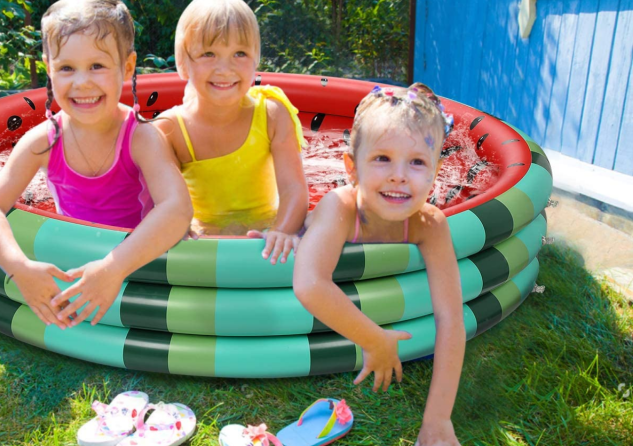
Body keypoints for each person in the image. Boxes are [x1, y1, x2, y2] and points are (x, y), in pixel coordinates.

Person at [0, 0, 192, 330]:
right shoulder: (43, 141)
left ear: (128, 67)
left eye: (97, 66)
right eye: (67, 68)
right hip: (79, 258)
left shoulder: (141, 138)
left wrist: (113, 268)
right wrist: (19, 267)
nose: (82, 83)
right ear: (48, 68)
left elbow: (176, 210)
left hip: (141, 261)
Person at [293, 84, 464, 446]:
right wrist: (375, 339)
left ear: (436, 172)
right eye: (382, 158)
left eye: (417, 162)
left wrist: (438, 420)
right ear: (351, 167)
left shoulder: (429, 225)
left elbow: (451, 320)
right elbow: (309, 284)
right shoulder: (339, 208)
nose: (399, 175)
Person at [155, 0, 308, 265]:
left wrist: (282, 231)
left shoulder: (272, 114)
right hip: (202, 243)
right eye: (208, 54)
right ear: (182, 63)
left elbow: (294, 189)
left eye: (239, 53)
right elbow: (157, 203)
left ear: (256, 60)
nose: (224, 69)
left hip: (267, 233)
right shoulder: (170, 130)